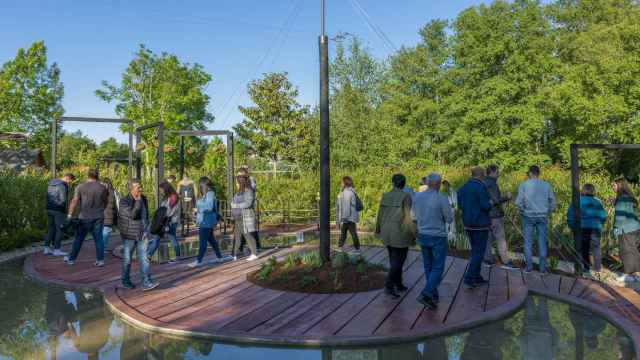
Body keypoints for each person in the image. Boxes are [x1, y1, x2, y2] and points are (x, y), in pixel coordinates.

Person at [412, 172, 453, 309]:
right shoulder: (441, 198)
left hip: (422, 234)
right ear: (438, 184)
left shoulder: (417, 197)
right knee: (438, 267)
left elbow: (414, 217)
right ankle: (427, 293)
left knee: (428, 266)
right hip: (437, 236)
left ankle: (432, 295)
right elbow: (449, 218)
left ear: (428, 183)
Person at [375, 174, 415, 299]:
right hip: (399, 232)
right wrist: (414, 233)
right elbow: (408, 218)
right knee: (399, 261)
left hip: (386, 231)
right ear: (404, 184)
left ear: (393, 183)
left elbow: (380, 214)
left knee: (394, 259)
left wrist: (377, 229)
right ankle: (389, 285)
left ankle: (398, 283)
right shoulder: (406, 196)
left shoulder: (385, 196)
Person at [118, 179, 159, 290]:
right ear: (131, 188)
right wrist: (138, 201)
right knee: (127, 259)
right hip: (129, 235)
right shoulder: (124, 201)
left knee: (144, 258)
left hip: (142, 234)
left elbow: (145, 216)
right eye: (138, 187)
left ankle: (146, 282)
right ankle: (125, 281)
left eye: (140, 187)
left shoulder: (143, 199)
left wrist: (147, 230)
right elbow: (133, 215)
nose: (140, 189)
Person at [515, 165, 556, 274]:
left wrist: (523, 211)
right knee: (542, 241)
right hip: (542, 216)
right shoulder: (546, 185)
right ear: (538, 173)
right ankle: (542, 269)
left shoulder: (523, 185)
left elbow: (518, 203)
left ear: (530, 173)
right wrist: (548, 212)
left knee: (528, 242)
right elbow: (553, 202)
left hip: (528, 216)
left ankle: (529, 268)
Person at [64, 169, 108, 267]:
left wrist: (69, 215)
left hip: (84, 217)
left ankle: (71, 259)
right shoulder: (102, 188)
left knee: (79, 238)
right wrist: (101, 210)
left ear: (88, 176)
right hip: (98, 216)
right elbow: (106, 201)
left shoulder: (81, 187)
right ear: (97, 176)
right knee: (99, 239)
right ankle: (100, 260)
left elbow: (74, 201)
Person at [458, 167, 492, 288]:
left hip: (468, 223)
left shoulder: (462, 187)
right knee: (478, 252)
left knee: (475, 250)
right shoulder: (481, 187)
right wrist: (491, 203)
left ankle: (477, 276)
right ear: (481, 175)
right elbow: (485, 206)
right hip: (480, 224)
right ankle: (469, 277)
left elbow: (460, 205)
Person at [189, 177, 230, 267]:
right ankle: (219, 257)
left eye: (200, 185)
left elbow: (209, 206)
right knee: (212, 241)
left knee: (202, 242)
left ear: (203, 185)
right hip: (206, 221)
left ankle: (198, 261)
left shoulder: (210, 193)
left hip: (206, 222)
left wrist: (198, 208)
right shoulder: (208, 194)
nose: (199, 187)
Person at [567, 183, 607, 274]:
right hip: (595, 228)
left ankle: (585, 268)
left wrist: (572, 226)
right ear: (593, 191)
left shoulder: (577, 201)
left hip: (581, 227)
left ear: (583, 191)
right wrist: (600, 224)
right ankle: (597, 269)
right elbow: (603, 216)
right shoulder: (597, 202)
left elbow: (570, 215)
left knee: (582, 248)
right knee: (596, 248)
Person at [484, 165, 517, 269]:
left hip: (486, 215)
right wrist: (507, 197)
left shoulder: (483, 182)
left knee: (487, 239)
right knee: (500, 238)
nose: (498, 174)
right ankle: (506, 262)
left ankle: (488, 260)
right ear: (492, 172)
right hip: (495, 216)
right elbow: (496, 200)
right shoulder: (492, 183)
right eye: (497, 172)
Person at [612, 177, 640, 282]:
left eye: (614, 185)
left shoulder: (621, 198)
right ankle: (636, 275)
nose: (613, 187)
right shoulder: (629, 197)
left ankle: (628, 275)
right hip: (635, 227)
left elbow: (620, 217)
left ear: (620, 186)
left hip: (625, 228)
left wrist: (616, 230)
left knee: (626, 251)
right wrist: (615, 203)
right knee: (633, 250)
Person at [147, 181, 182, 263]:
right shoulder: (168, 197)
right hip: (164, 221)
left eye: (161, 190)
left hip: (170, 222)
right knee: (157, 238)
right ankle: (148, 256)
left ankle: (178, 256)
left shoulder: (173, 197)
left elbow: (169, 211)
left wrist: (161, 217)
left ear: (166, 189)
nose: (161, 191)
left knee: (171, 238)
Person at [45, 173, 75, 256]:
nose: (70, 183)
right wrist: (64, 211)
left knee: (51, 228)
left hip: (49, 209)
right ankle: (57, 250)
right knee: (60, 229)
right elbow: (63, 200)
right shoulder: (62, 185)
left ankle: (46, 249)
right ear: (68, 178)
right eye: (70, 181)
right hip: (58, 210)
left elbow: (47, 196)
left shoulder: (51, 184)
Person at [231, 173, 260, 261]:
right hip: (237, 217)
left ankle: (254, 253)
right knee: (238, 236)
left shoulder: (248, 190)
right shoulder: (239, 191)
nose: (236, 184)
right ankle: (235, 253)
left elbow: (248, 203)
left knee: (247, 235)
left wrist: (236, 205)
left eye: (237, 182)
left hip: (244, 216)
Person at [238, 167, 261, 251]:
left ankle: (255, 247)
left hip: (248, 209)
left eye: (240, 175)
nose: (239, 177)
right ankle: (240, 247)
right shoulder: (241, 182)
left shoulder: (250, 180)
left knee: (250, 229)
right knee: (243, 229)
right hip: (243, 208)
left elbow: (251, 191)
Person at [336, 176, 361, 252]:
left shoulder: (347, 192)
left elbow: (346, 207)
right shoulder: (352, 191)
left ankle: (342, 248)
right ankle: (357, 248)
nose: (341, 183)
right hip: (351, 217)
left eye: (342, 182)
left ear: (345, 183)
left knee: (347, 234)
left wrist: (342, 219)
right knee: (350, 233)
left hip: (347, 218)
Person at [100, 178, 118, 251]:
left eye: (103, 184)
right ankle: (102, 247)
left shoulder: (112, 192)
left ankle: (102, 247)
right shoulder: (113, 192)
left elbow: (117, 203)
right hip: (106, 214)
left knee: (105, 231)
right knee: (105, 231)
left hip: (107, 214)